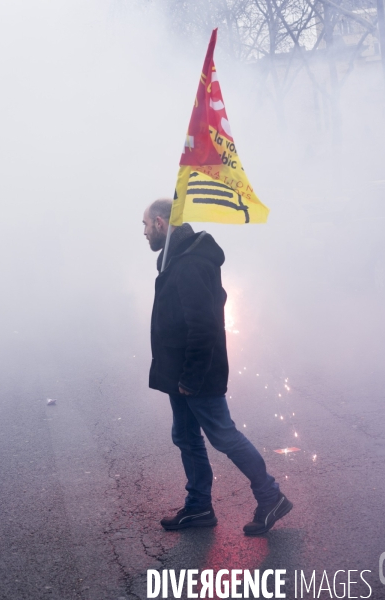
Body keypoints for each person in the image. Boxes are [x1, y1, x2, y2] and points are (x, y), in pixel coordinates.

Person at [142, 198, 293, 535]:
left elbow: (204, 325)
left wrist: (191, 378)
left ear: (161, 223)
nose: (144, 232)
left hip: (195, 374)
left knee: (223, 435)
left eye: (146, 225)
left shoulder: (190, 264)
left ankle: (271, 497)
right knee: (184, 435)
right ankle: (198, 507)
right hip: (179, 372)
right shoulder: (176, 259)